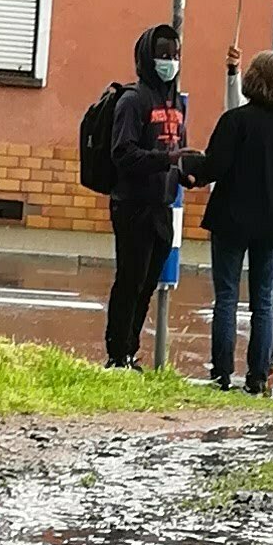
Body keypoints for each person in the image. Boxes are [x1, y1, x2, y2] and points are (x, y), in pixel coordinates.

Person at [186, 46, 273, 393]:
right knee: (264, 301)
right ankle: (258, 376)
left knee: (226, 296)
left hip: (231, 218)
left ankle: (221, 373)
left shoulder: (235, 120)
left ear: (253, 79)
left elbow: (215, 166)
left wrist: (189, 168)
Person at [103, 21, 190, 368]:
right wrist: (165, 160)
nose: (170, 62)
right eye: (163, 55)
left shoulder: (176, 103)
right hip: (133, 205)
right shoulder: (133, 100)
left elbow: (177, 150)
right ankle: (116, 354)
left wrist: (186, 172)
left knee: (148, 284)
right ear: (147, 57)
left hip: (162, 206)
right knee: (130, 281)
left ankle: (130, 350)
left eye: (175, 55)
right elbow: (122, 153)